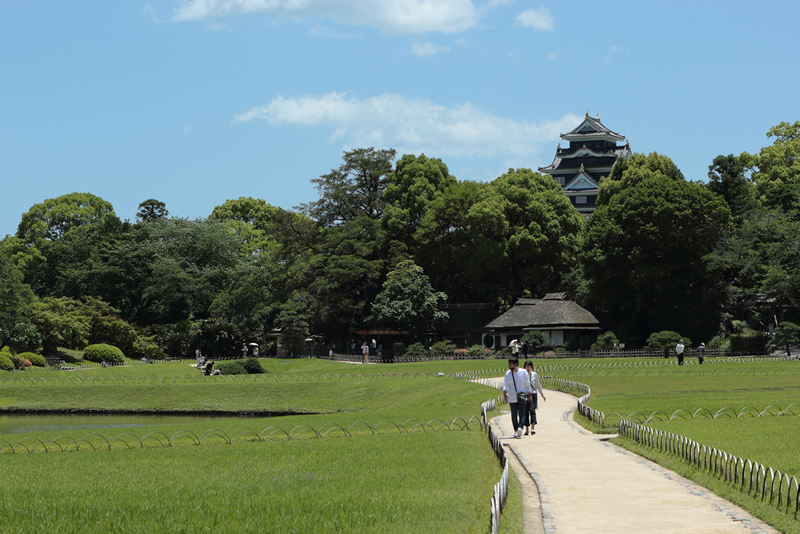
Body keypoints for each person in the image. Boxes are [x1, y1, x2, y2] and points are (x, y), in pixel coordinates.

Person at [502, 357, 533, 439]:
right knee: (514, 415)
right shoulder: (508, 373)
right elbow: (505, 384)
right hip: (512, 397)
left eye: (511, 364)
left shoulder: (523, 372)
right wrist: (505, 393)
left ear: (516, 364)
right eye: (509, 364)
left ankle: (520, 428)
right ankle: (516, 430)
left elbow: (527, 383)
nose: (509, 365)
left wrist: (530, 394)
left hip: (521, 397)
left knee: (522, 414)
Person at [523, 360, 546, 435]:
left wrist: (541, 393)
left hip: (533, 394)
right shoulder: (522, 375)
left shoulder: (534, 374)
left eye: (529, 366)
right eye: (527, 366)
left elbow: (538, 385)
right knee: (526, 411)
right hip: (525, 395)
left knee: (532, 410)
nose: (528, 368)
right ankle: (526, 429)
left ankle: (533, 427)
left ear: (532, 367)